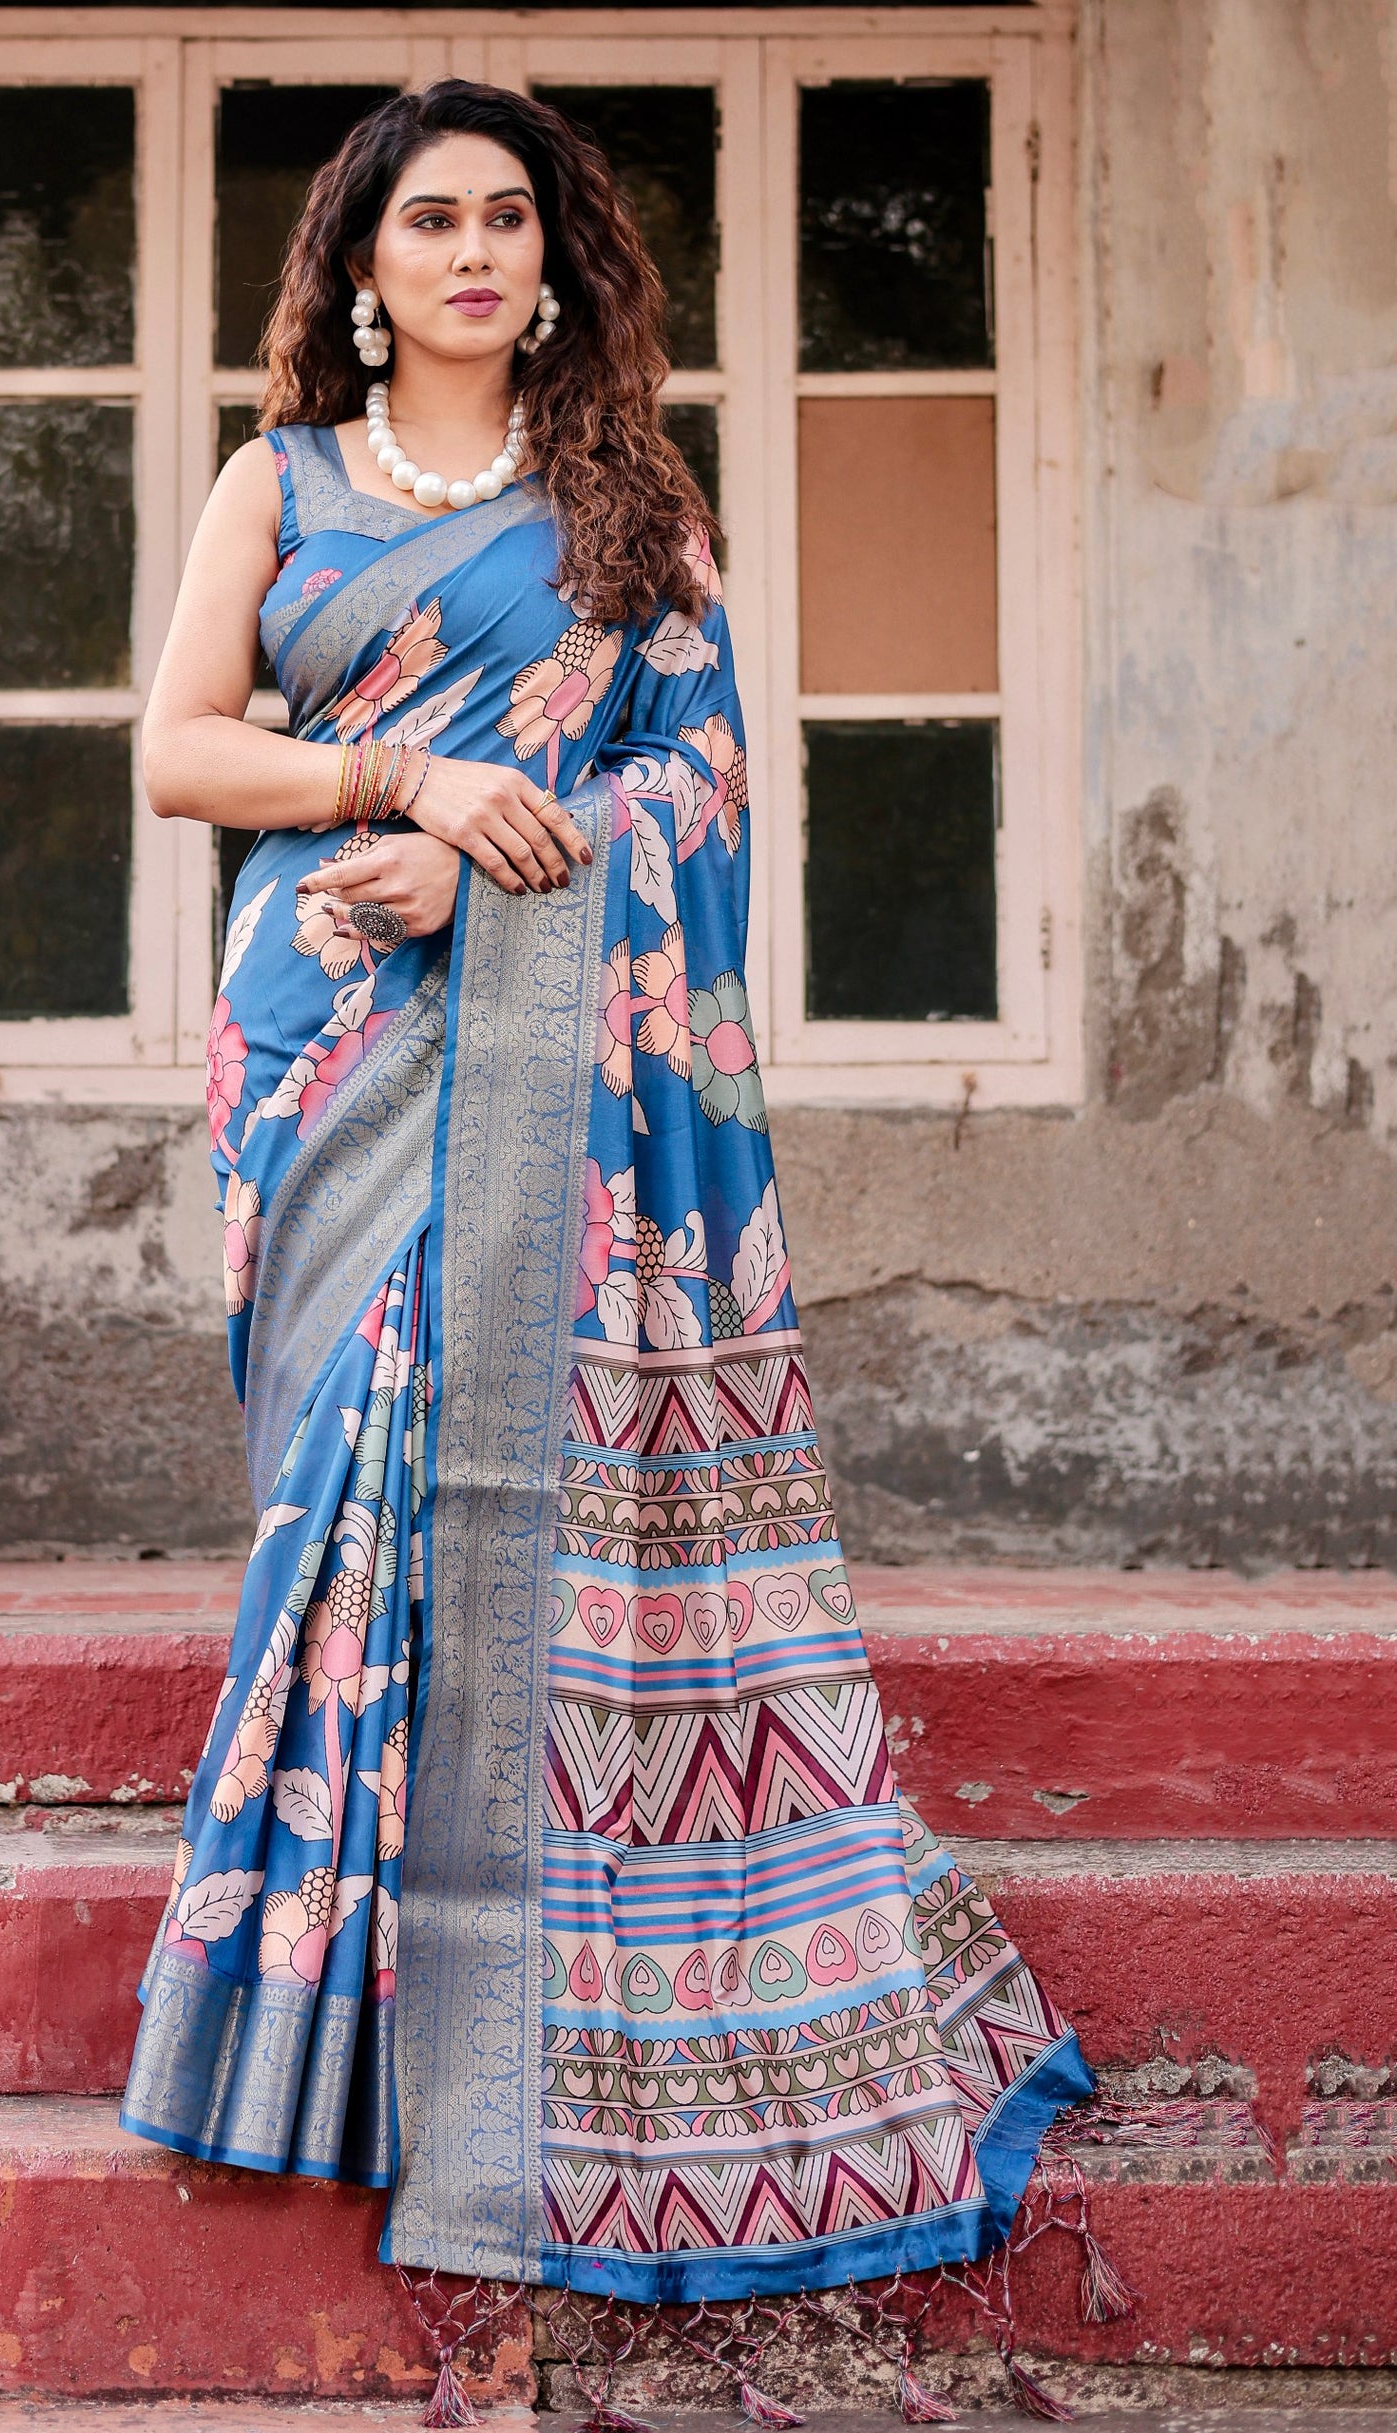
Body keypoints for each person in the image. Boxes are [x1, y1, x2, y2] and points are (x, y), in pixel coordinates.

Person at [124, 77, 1091, 2315]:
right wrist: (409, 782)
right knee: (346, 1495)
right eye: (428, 221)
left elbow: (699, 784)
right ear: (360, 268)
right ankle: (316, 2042)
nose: (473, 252)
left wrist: (490, 868)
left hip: (542, 1044)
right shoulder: (275, 481)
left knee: (497, 1510)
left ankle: (473, 2061)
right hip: (325, 1034)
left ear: (554, 264)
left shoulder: (631, 502)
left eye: (508, 219)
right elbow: (177, 749)